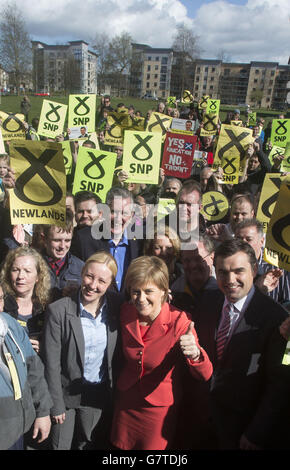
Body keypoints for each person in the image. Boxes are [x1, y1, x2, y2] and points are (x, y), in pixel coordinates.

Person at [110, 256, 212, 450]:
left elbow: (205, 374)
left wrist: (195, 354)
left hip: (157, 410)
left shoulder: (180, 321)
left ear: (164, 292)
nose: (141, 299)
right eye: (135, 291)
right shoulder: (126, 311)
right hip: (126, 402)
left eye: (149, 291)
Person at [207, 239, 289, 449]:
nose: (230, 279)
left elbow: (279, 385)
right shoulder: (206, 304)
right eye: (223, 272)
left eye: (238, 271)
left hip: (246, 431)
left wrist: (256, 432)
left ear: (254, 269)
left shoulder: (276, 318)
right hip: (207, 427)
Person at [41, 251, 123, 450]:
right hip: (64, 394)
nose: (93, 285)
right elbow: (51, 363)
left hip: (97, 394)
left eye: (101, 281)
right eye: (89, 276)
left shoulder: (117, 306)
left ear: (111, 283)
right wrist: (56, 404)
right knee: (59, 445)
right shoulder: (58, 310)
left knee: (87, 444)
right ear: (82, 272)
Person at [0, 282, 52, 450]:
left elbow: (34, 371)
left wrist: (43, 412)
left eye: (0, 299)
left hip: (19, 430)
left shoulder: (10, 324)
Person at [71, 187, 143, 292]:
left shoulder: (140, 241)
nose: (118, 218)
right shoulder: (84, 238)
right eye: (113, 211)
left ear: (131, 216)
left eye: (124, 213)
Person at [1, 246, 51, 354]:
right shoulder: (1, 305)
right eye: (15, 270)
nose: (20, 276)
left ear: (38, 277)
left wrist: (43, 347)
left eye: (27, 271)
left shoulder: (45, 309)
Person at [234, 218, 290, 305]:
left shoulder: (277, 264)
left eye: (248, 239)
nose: (242, 243)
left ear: (262, 241)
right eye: (238, 238)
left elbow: (287, 302)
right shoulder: (229, 265)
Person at [40, 210, 84, 301]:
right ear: (44, 239)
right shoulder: (32, 265)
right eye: (57, 240)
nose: (62, 246)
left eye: (67, 240)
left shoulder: (81, 267)